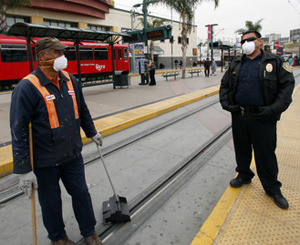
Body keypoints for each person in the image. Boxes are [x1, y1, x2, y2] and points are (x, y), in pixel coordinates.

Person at [10, 37, 103, 245]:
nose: (62, 57)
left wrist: (92, 132)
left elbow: (82, 109)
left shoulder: (71, 79)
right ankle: (58, 238)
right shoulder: (27, 88)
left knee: (81, 193)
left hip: (72, 154)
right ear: (42, 56)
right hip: (45, 162)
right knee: (51, 202)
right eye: (57, 52)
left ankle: (90, 232)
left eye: (63, 52)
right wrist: (24, 169)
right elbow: (18, 129)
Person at [219, 30, 295, 209]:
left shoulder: (275, 62)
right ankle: (244, 174)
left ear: (260, 42)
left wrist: (272, 110)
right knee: (242, 148)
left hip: (263, 116)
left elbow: (287, 87)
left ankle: (272, 188)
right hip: (240, 114)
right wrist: (227, 104)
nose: (246, 43)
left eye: (250, 40)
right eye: (243, 41)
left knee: (266, 153)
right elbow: (224, 85)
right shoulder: (236, 63)